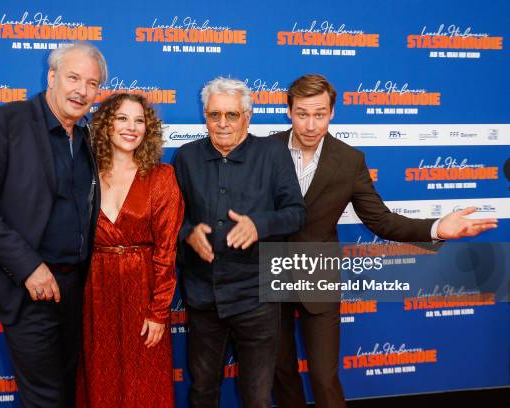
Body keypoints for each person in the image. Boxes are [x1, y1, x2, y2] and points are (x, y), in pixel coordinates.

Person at [272, 74, 499, 408]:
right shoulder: (263, 151)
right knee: (280, 372)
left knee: (323, 376)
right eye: (302, 113)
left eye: (319, 114)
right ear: (288, 111)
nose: (310, 124)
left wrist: (436, 227)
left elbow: (381, 220)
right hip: (268, 271)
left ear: (332, 112)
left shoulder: (349, 161)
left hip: (318, 273)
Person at [0, 42, 107, 408]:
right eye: (73, 78)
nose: (81, 90)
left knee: (70, 391)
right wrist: (29, 267)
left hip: (75, 289)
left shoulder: (86, 135)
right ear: (51, 77)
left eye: (91, 83)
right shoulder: (7, 121)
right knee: (45, 399)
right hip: (27, 289)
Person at [173, 77, 306, 408]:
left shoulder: (273, 154)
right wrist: (187, 232)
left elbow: (296, 213)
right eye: (213, 114)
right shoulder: (185, 157)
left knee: (257, 397)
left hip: (257, 296)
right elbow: (171, 218)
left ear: (248, 116)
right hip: (204, 297)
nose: (222, 124)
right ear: (204, 115)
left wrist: (259, 225)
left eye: (231, 115)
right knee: (203, 389)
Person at [76, 93, 184, 408]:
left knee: (145, 382)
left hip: (143, 291)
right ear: (106, 124)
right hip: (94, 294)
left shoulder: (162, 177)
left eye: (139, 120)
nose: (131, 127)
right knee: (98, 376)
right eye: (122, 118)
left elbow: (166, 252)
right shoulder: (83, 176)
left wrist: (159, 311)